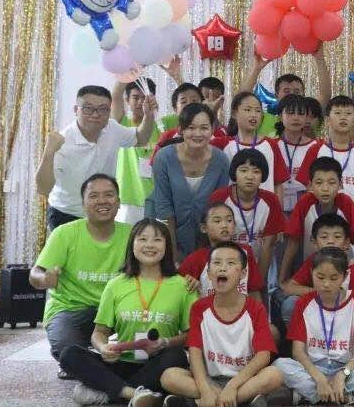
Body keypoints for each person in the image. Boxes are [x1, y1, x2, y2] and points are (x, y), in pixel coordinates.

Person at [58, 219, 195, 407]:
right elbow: (99, 332)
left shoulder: (183, 285)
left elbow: (191, 335)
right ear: (132, 244)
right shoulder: (116, 285)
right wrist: (103, 347)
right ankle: (132, 394)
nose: (149, 245)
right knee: (69, 354)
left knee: (176, 356)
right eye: (142, 239)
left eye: (157, 240)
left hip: (157, 363)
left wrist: (165, 343)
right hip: (121, 362)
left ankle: (107, 392)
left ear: (167, 246)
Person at [161, 243, 285, 407]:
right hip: (210, 379)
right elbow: (194, 352)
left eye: (231, 263)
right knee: (169, 377)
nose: (222, 268)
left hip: (243, 380)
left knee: (274, 375)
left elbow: (263, 356)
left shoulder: (255, 308)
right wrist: (205, 389)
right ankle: (239, 404)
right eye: (216, 263)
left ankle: (196, 405)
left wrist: (233, 386)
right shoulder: (199, 308)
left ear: (243, 273)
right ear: (208, 273)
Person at [30, 174, 131, 375]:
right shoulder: (65, 233)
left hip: (115, 311)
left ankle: (83, 366)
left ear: (118, 202)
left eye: (109, 195)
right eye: (94, 196)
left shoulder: (132, 235)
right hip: (70, 309)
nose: (102, 201)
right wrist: (45, 280)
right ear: (83, 204)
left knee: (146, 342)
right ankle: (85, 362)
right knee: (67, 349)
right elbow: (35, 273)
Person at [273, 247, 354, 405]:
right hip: (314, 369)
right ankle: (347, 395)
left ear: (345, 277)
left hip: (347, 367)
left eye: (334, 278)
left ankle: (311, 395)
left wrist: (343, 374)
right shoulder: (303, 302)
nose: (326, 284)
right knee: (280, 365)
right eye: (320, 277)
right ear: (311, 273)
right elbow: (297, 351)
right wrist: (318, 378)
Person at [37, 85, 157, 230]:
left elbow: (141, 138)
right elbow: (43, 188)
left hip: (102, 212)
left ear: (109, 111)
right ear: (76, 110)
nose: (95, 115)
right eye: (88, 108)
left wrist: (148, 115)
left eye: (102, 109)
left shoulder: (112, 128)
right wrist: (48, 153)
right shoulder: (63, 142)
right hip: (66, 213)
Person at [279, 157, 354, 292]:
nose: (325, 189)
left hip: (343, 268)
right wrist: (282, 279)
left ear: (340, 185)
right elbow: (292, 243)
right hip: (314, 266)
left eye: (331, 183)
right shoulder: (304, 203)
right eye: (319, 183)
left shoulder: (346, 203)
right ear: (310, 185)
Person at [149, 104, 230, 258]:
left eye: (204, 128)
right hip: (168, 237)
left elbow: (218, 207)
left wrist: (210, 253)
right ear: (181, 129)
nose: (198, 134)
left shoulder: (221, 160)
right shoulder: (164, 158)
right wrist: (172, 254)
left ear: (212, 129)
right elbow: (164, 208)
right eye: (191, 128)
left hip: (208, 241)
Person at [206, 149, 284, 288]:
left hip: (258, 266)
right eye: (243, 170)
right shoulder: (219, 197)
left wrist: (257, 282)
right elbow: (212, 240)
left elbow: (269, 244)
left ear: (263, 176)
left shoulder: (271, 201)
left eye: (256, 171)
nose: (249, 177)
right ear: (234, 173)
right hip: (223, 268)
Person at [296, 95, 354, 233]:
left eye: (348, 113)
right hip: (321, 222)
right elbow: (310, 189)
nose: (343, 117)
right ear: (327, 120)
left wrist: (343, 217)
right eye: (337, 113)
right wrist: (329, 218)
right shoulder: (315, 150)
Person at [240, 46, 333, 137]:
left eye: (297, 91)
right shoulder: (263, 119)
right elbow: (242, 100)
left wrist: (320, 60)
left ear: (303, 95)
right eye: (286, 91)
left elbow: (325, 96)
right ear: (276, 95)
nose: (292, 94)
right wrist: (256, 69)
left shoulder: (309, 117)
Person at [179, 206, 265, 302]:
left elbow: (254, 290)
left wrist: (259, 311)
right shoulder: (196, 258)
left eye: (229, 220)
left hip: (242, 310)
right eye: (217, 221)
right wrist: (189, 282)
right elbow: (178, 285)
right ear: (203, 228)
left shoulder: (245, 251)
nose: (224, 225)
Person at [211, 91, 288, 198]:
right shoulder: (221, 144)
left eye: (258, 111)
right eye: (248, 110)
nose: (254, 115)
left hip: (264, 206)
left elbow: (278, 184)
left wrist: (277, 207)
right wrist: (210, 112)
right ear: (234, 114)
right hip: (229, 207)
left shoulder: (271, 144)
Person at [110, 78, 161, 223]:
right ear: (127, 100)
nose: (140, 102)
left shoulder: (162, 126)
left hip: (156, 200)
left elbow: (188, 111)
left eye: (144, 98)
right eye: (135, 97)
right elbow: (115, 96)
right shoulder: (122, 124)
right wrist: (126, 74)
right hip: (127, 200)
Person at [272, 94, 319, 216]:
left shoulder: (316, 146)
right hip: (277, 205)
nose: (296, 118)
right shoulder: (271, 146)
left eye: (301, 113)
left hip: (306, 207)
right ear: (280, 117)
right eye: (291, 113)